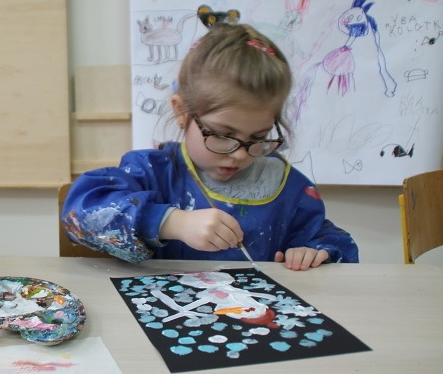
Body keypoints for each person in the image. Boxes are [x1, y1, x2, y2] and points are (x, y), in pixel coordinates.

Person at [62, 23, 358, 271]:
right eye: (222, 135)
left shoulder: (286, 186)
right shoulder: (153, 172)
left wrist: (316, 252)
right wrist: (172, 223)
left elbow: (336, 244)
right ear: (182, 112)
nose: (240, 154)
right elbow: (80, 214)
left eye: (259, 137)